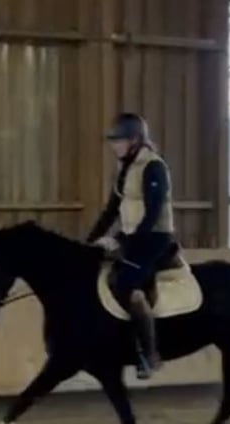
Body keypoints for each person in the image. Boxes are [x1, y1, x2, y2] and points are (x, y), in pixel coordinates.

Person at [86, 112, 176, 379]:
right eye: (112, 141)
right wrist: (89, 241)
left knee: (128, 285)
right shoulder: (124, 169)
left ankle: (150, 355)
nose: (113, 146)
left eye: (118, 140)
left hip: (155, 238)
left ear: (135, 140)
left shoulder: (153, 167)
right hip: (130, 235)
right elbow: (111, 210)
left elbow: (152, 212)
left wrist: (128, 244)